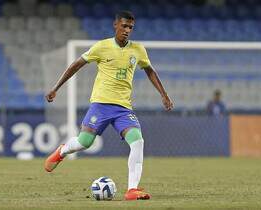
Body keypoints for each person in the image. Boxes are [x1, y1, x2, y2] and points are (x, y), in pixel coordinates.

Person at [44, 11, 174, 201]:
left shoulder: (138, 50)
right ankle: (62, 151)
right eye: (124, 26)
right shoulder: (101, 47)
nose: (127, 30)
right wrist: (56, 88)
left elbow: (150, 71)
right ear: (115, 25)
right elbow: (76, 65)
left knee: (138, 141)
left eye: (130, 27)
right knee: (84, 142)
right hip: (100, 105)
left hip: (123, 109)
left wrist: (164, 95)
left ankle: (132, 190)